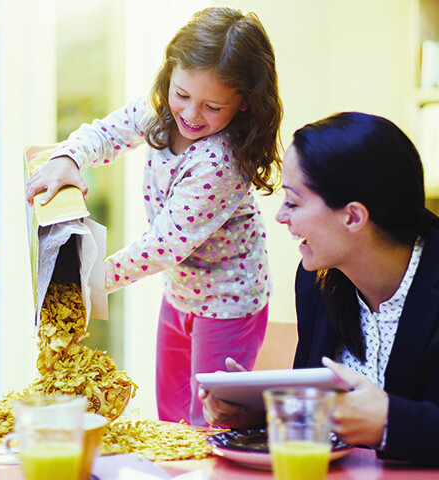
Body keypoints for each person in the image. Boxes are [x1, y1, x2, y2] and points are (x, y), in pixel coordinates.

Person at [26, 7, 282, 425]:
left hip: (229, 305)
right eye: (182, 94)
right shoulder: (161, 112)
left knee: (207, 425)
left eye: (212, 105)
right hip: (179, 293)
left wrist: (88, 283)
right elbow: (108, 132)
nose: (192, 114)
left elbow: (163, 245)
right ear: (169, 76)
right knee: (170, 416)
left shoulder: (220, 162)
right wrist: (70, 156)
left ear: (245, 102)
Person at [200, 112, 439, 465]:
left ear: (353, 217)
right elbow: (320, 413)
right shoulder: (316, 281)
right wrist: (263, 412)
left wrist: (390, 423)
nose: (281, 216)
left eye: (293, 202)